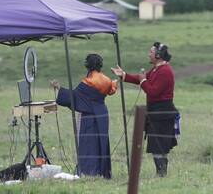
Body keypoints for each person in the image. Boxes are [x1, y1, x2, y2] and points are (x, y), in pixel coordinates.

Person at [111, 42, 178, 177]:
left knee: (159, 145)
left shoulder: (165, 71)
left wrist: (143, 81)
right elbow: (141, 78)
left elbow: (152, 91)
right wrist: (123, 75)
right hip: (156, 112)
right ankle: (161, 174)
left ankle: (161, 174)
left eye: (151, 52)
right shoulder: (156, 69)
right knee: (157, 145)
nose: (149, 54)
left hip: (162, 114)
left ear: (158, 55)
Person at [51, 54, 117, 179]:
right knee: (101, 143)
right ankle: (103, 171)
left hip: (89, 116)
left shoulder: (88, 81)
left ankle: (89, 171)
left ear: (88, 65)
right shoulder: (106, 79)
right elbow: (111, 90)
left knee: (89, 144)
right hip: (102, 114)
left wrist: (59, 88)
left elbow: (74, 97)